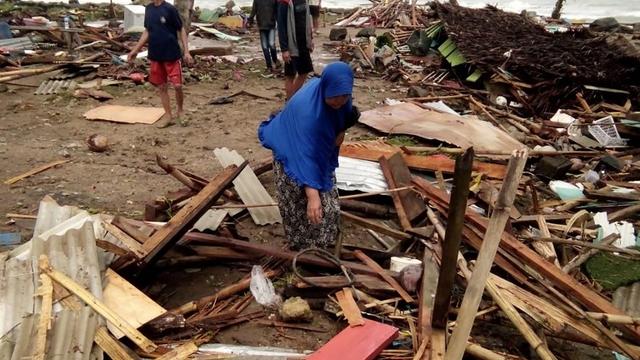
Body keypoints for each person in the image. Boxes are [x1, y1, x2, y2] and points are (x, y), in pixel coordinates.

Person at [258, 62, 360, 250]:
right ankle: (301, 247)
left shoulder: (342, 98)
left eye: (344, 96)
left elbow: (345, 119)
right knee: (299, 200)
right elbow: (305, 158)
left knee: (326, 202)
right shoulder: (309, 116)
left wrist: (341, 130)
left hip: (316, 148)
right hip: (291, 148)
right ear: (325, 90)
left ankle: (323, 243)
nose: (338, 102)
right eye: (334, 97)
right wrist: (313, 196)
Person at [128, 0, 193, 124]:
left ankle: (180, 111)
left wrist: (186, 52)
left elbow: (181, 29)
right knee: (162, 87)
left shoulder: (169, 9)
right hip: (155, 54)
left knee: (178, 86)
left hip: (172, 54)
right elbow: (147, 31)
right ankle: (168, 115)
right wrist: (135, 50)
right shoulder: (149, 9)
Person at [277, 0, 313, 99]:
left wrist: (310, 40)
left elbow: (307, 20)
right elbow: (281, 26)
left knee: (304, 72)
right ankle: (290, 102)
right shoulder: (284, 2)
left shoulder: (304, 1)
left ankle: (293, 99)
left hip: (303, 43)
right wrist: (284, 49)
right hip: (291, 44)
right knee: (290, 75)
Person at [249, 0, 280, 72]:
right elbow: (254, 10)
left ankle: (275, 61)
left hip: (271, 25)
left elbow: (277, 11)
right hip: (262, 26)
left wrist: (279, 22)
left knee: (271, 45)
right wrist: (250, 21)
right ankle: (269, 66)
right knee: (265, 47)